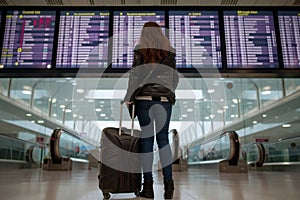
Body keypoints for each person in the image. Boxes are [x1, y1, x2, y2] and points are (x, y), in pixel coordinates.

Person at [124, 21, 179, 199]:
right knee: (163, 140)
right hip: (164, 100)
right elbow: (174, 77)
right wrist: (168, 91)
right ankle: (169, 185)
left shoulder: (140, 48)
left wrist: (128, 97)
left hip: (144, 100)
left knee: (147, 140)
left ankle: (148, 187)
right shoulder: (169, 49)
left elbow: (135, 75)